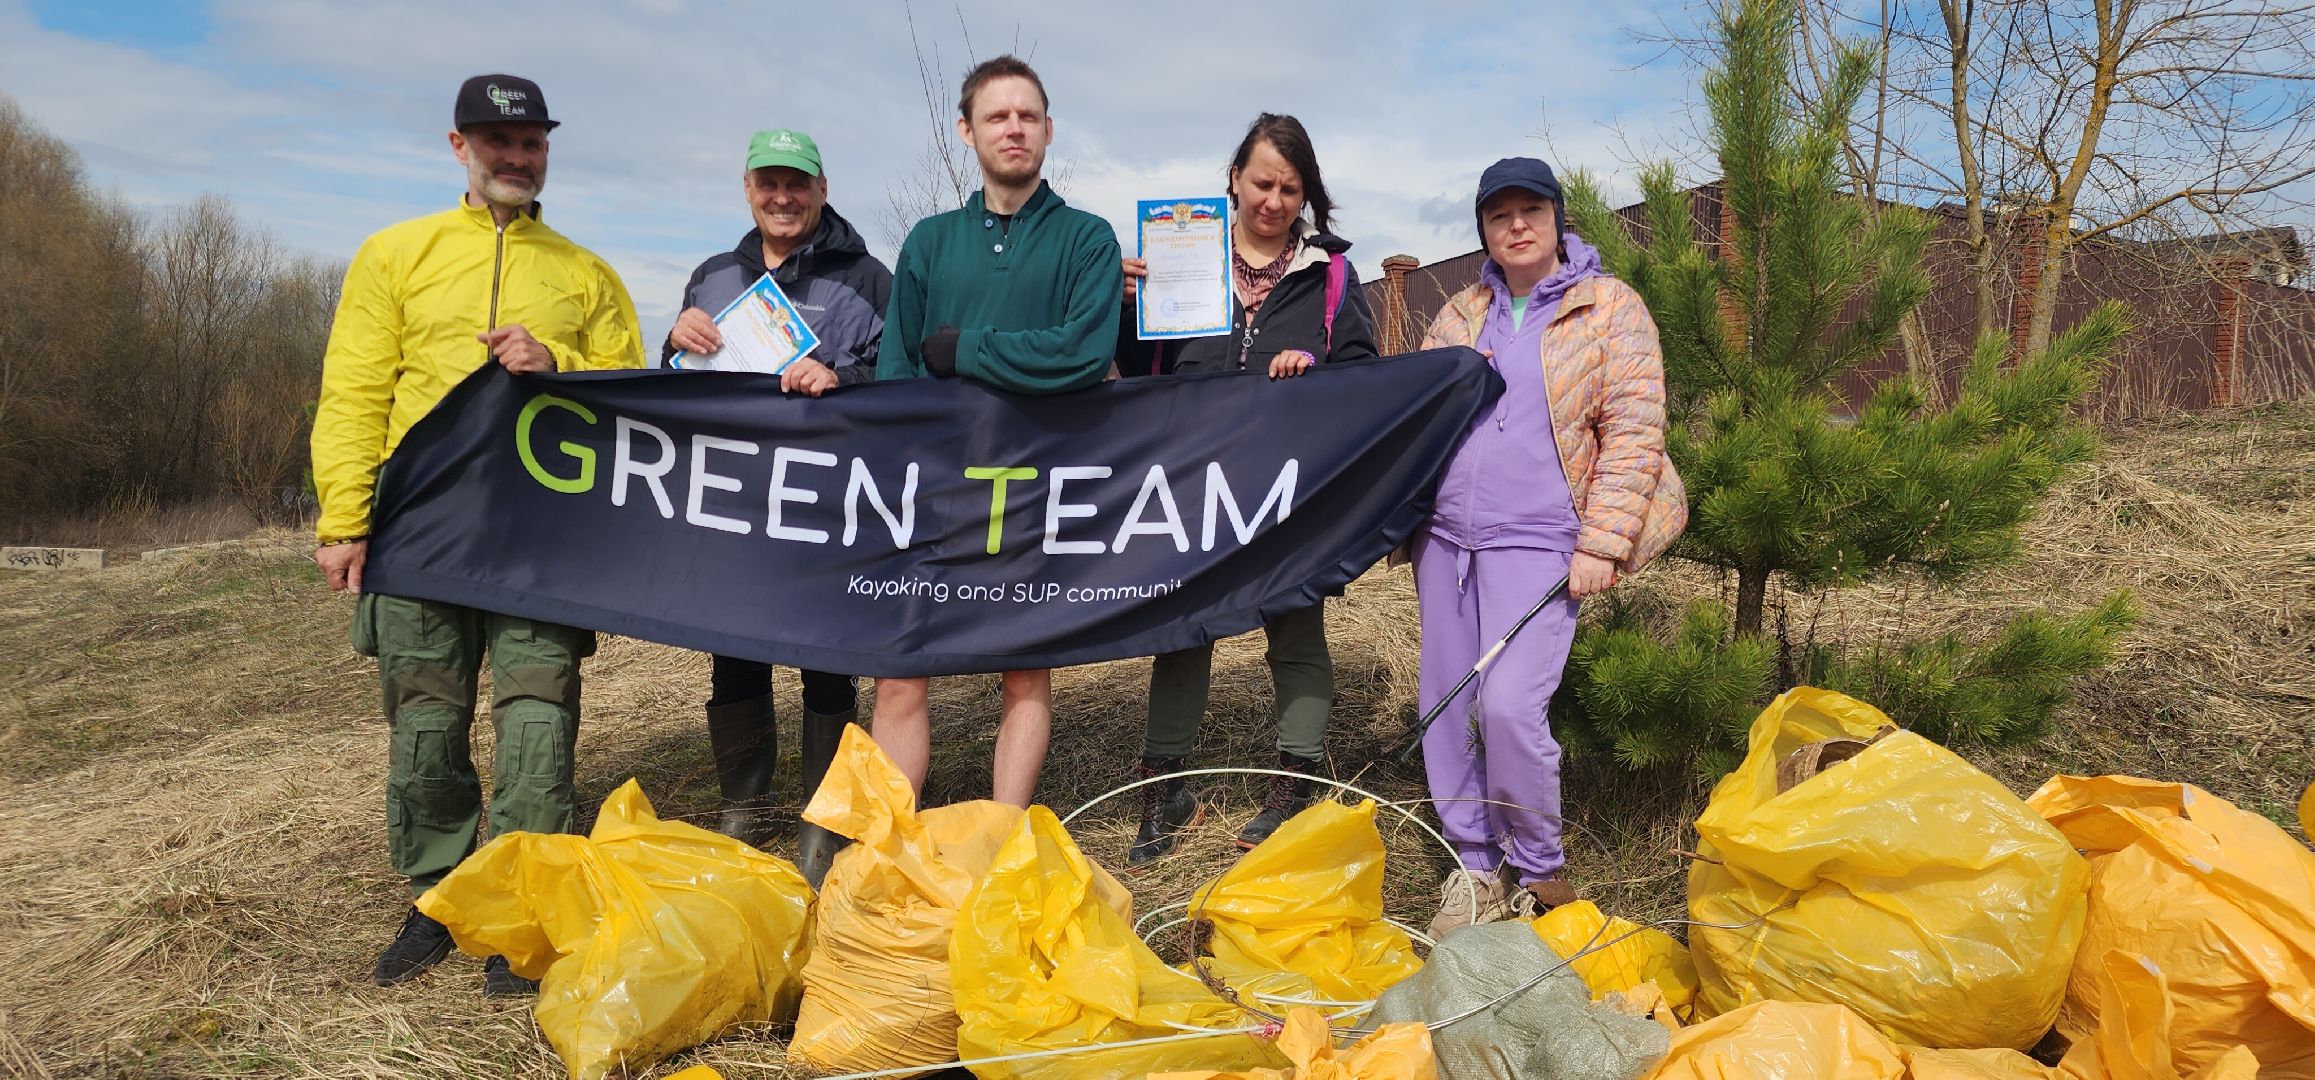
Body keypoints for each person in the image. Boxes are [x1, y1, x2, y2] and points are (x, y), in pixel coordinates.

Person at [310, 74, 645, 993]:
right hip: (418, 528)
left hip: (540, 537)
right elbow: (353, 393)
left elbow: (629, 394)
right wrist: (344, 520)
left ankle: (526, 905)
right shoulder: (394, 255)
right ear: (458, 146)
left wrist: (557, 363)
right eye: (498, 141)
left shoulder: (585, 272)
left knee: (538, 721)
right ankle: (442, 895)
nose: (516, 156)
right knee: (424, 722)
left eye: (532, 141)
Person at [1412, 158, 1677, 936]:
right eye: (1499, 216)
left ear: (1558, 217)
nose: (1516, 225)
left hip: (1542, 541)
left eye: (1531, 209)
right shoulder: (1460, 313)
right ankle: (1472, 867)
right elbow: (1417, 416)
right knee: (1445, 703)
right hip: (1445, 539)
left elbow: (1634, 430)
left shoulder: (1608, 309)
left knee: (1506, 704)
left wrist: (1603, 540)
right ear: (1483, 232)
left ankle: (1537, 872)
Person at [1113, 114, 1379, 867]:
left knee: (1295, 630)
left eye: (1290, 189)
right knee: (1183, 629)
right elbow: (1135, 371)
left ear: (1306, 196)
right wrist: (1124, 305)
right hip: (1191, 480)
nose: (1272, 199)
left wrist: (1315, 365)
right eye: (1261, 182)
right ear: (1233, 179)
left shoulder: (1329, 275)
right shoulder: (1180, 255)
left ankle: (1293, 781)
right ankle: (1164, 790)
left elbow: (1362, 372)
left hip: (1288, 486)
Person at [874, 54, 1122, 807]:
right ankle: (889, 840)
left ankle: (1002, 835)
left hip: (1036, 485)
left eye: (1026, 116)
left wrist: (967, 351)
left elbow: (1080, 355)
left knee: (1024, 670)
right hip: (939, 488)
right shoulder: (928, 242)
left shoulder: (1087, 240)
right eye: (995, 116)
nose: (1012, 128)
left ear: (1047, 130)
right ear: (966, 131)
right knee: (899, 672)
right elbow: (896, 372)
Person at [662, 128, 890, 887]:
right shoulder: (714, 276)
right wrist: (671, 344)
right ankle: (744, 808)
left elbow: (899, 375)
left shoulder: (867, 278)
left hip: (827, 507)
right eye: (769, 183)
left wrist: (839, 377)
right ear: (748, 188)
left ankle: (821, 821)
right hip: (736, 504)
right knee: (735, 652)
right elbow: (677, 385)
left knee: (826, 664)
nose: (783, 197)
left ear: (822, 190)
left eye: (798, 184)